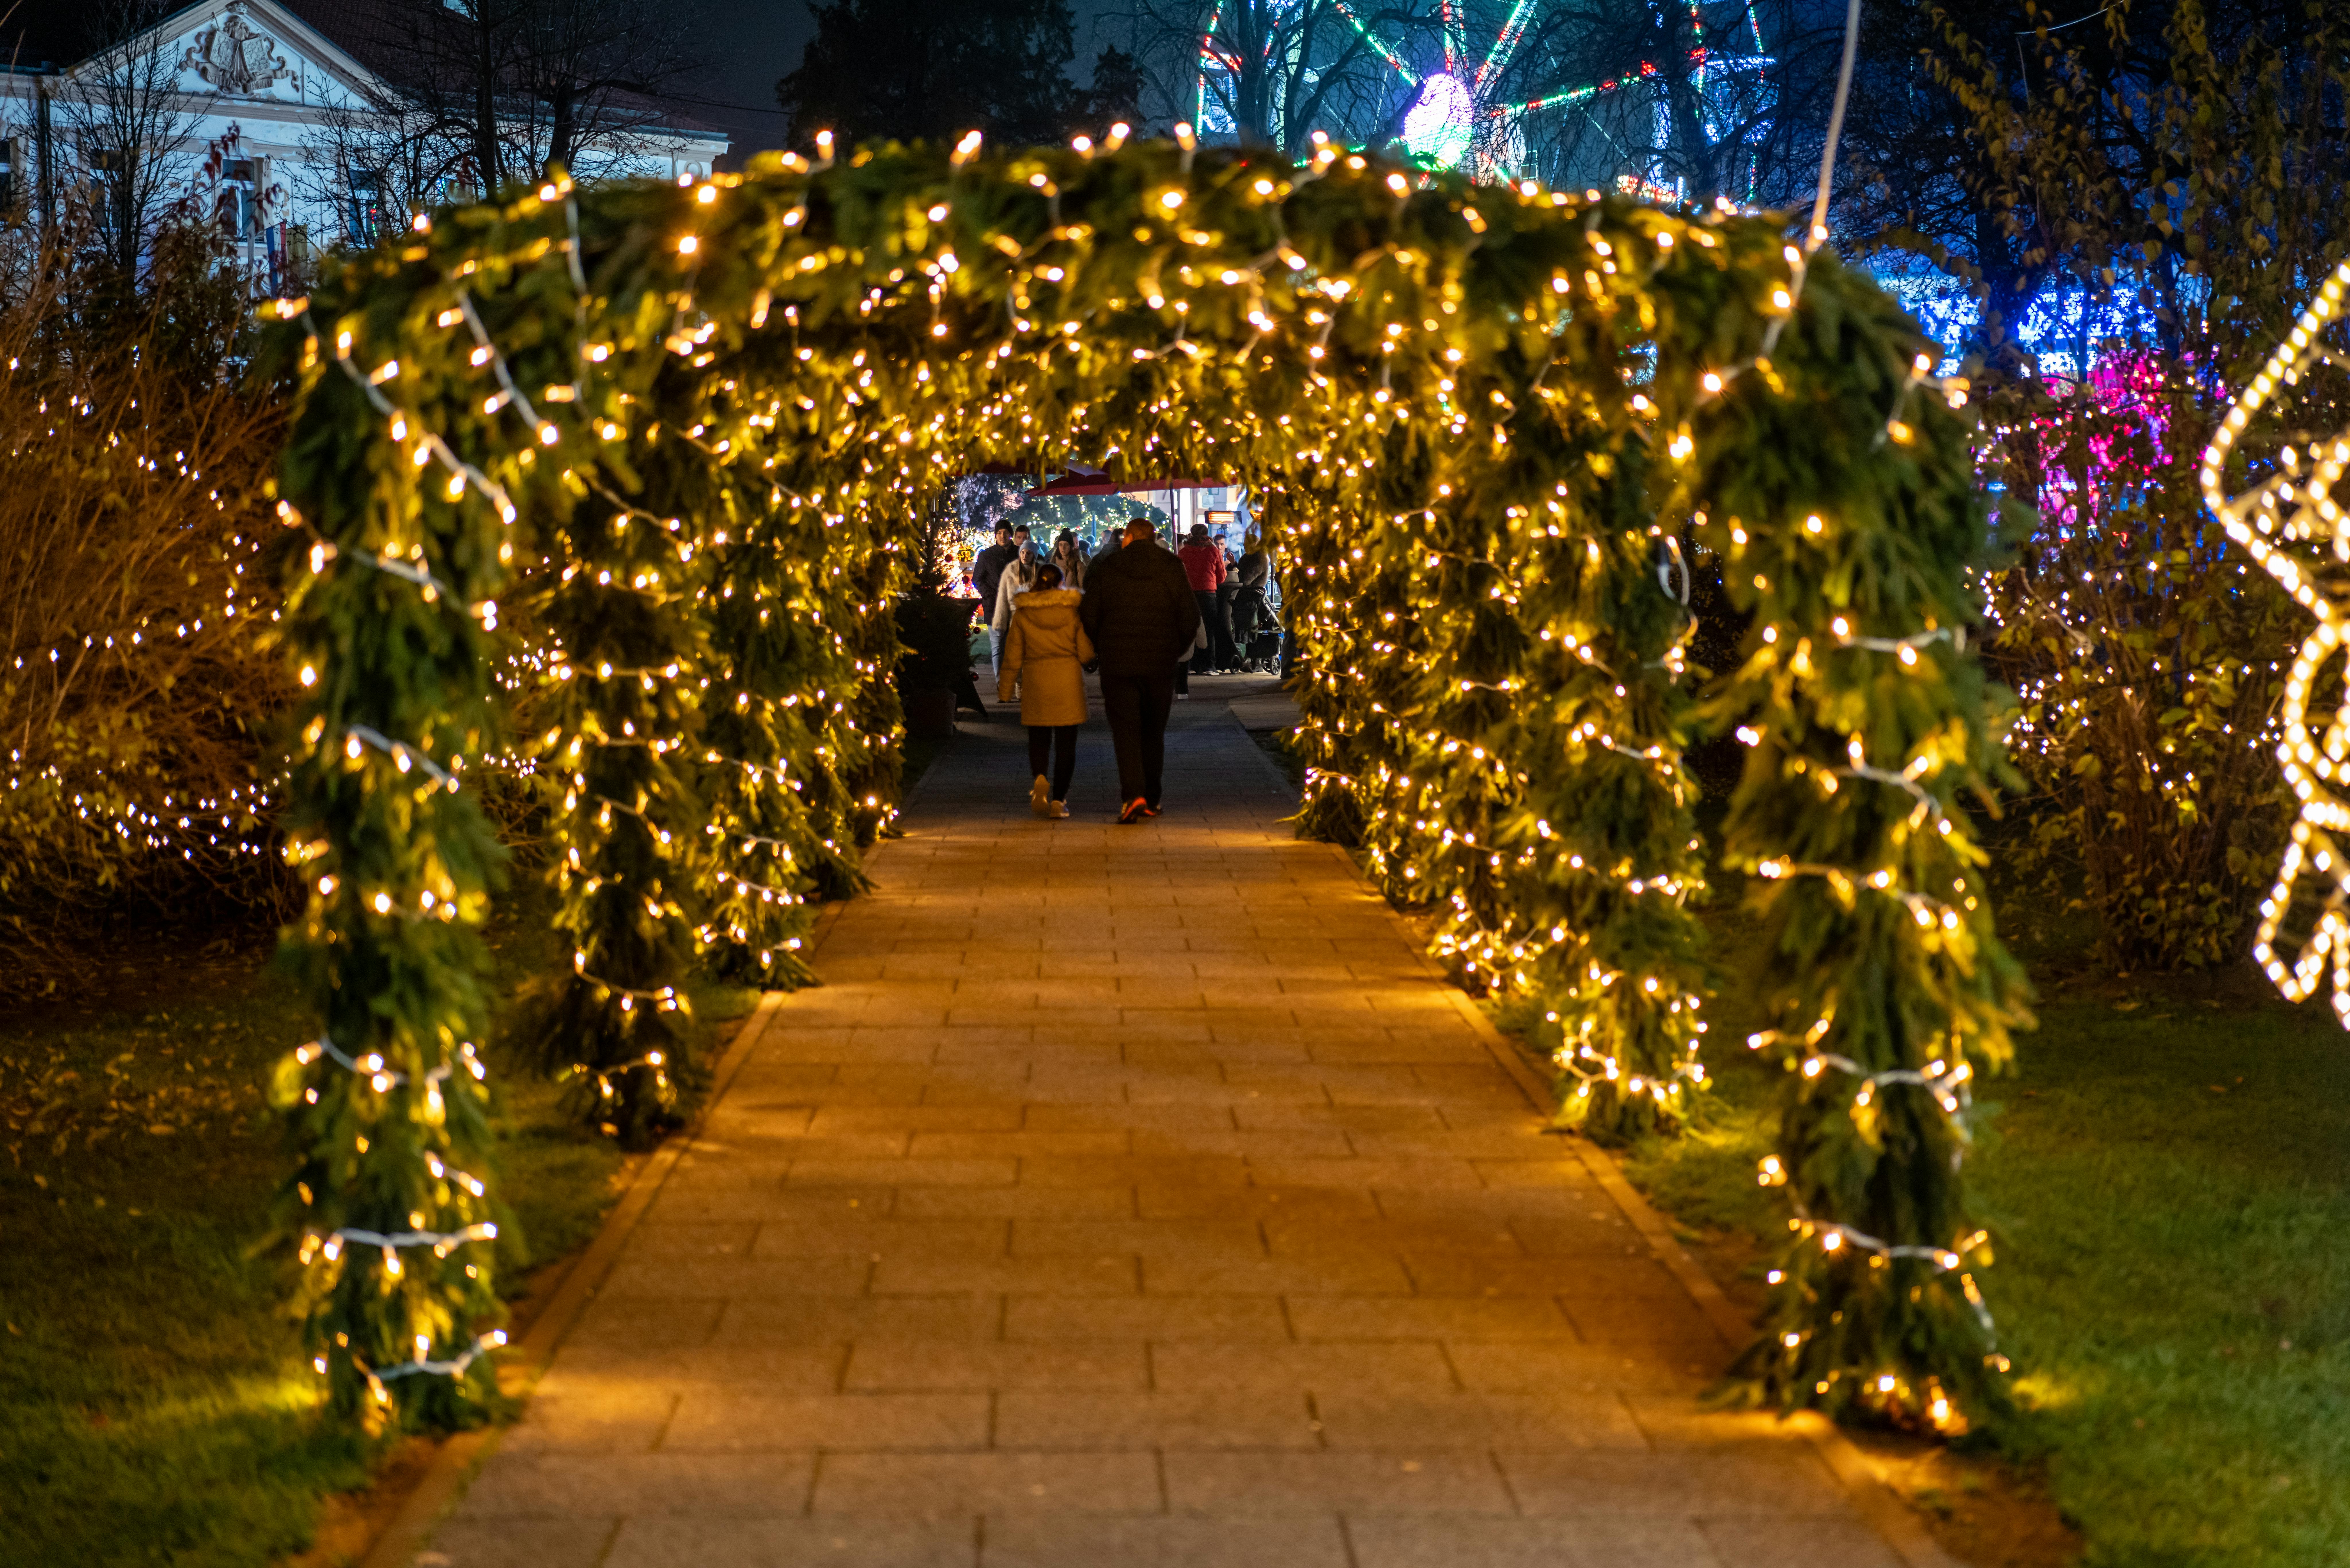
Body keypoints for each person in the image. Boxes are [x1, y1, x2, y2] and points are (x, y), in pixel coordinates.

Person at [1081, 517, 1199, 823]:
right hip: (1160, 662)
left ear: (1129, 538)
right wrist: (1174, 649)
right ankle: (1152, 796)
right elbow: (1189, 616)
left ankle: (1133, 795)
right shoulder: (1171, 566)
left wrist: (1102, 645)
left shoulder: (1108, 567)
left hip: (1118, 663)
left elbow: (1089, 614)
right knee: (1153, 730)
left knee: (1125, 729)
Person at [998, 562, 1093, 818]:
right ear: (1062, 582)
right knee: (1066, 746)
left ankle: (1040, 779)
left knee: (1038, 741)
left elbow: (1012, 656)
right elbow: (1085, 652)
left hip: (1036, 681)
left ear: (1037, 582)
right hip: (1067, 682)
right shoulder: (1072, 611)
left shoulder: (1024, 613)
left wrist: (1005, 690)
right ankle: (1059, 801)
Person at [1176, 523, 1227, 677]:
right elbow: (1222, 577)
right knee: (1209, 630)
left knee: (1191, 629)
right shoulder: (1214, 551)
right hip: (1208, 594)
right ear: (1207, 534)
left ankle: (1191, 664)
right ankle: (1210, 666)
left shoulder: (1184, 552)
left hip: (1189, 594)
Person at [971, 522, 1018, 673]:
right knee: (997, 647)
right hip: (994, 607)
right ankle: (1001, 683)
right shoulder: (987, 555)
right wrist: (989, 594)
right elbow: (977, 579)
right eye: (999, 533)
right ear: (996, 535)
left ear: (1011, 534)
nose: (1003, 536)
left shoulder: (1019, 553)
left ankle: (1015, 682)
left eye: (1006, 533)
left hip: (1015, 607)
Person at [991, 539, 1042, 651]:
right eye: (1023, 553)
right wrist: (1000, 622)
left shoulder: (1042, 573)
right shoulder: (1011, 571)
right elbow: (1003, 598)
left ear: (1034, 556)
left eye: (1029, 553)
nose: (1025, 556)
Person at [1230, 534, 1271, 669]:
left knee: (1244, 621)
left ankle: (1245, 650)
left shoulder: (1259, 559)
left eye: (1247, 543)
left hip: (1251, 596)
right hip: (1247, 594)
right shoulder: (1250, 556)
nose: (1244, 545)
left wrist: (1237, 574)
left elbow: (1247, 579)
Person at [1050, 528, 1088, 593]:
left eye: (1067, 545)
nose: (1063, 548)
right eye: (1061, 545)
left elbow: (1083, 589)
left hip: (1072, 601)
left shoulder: (1078, 565)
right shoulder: (1053, 564)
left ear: (1071, 546)